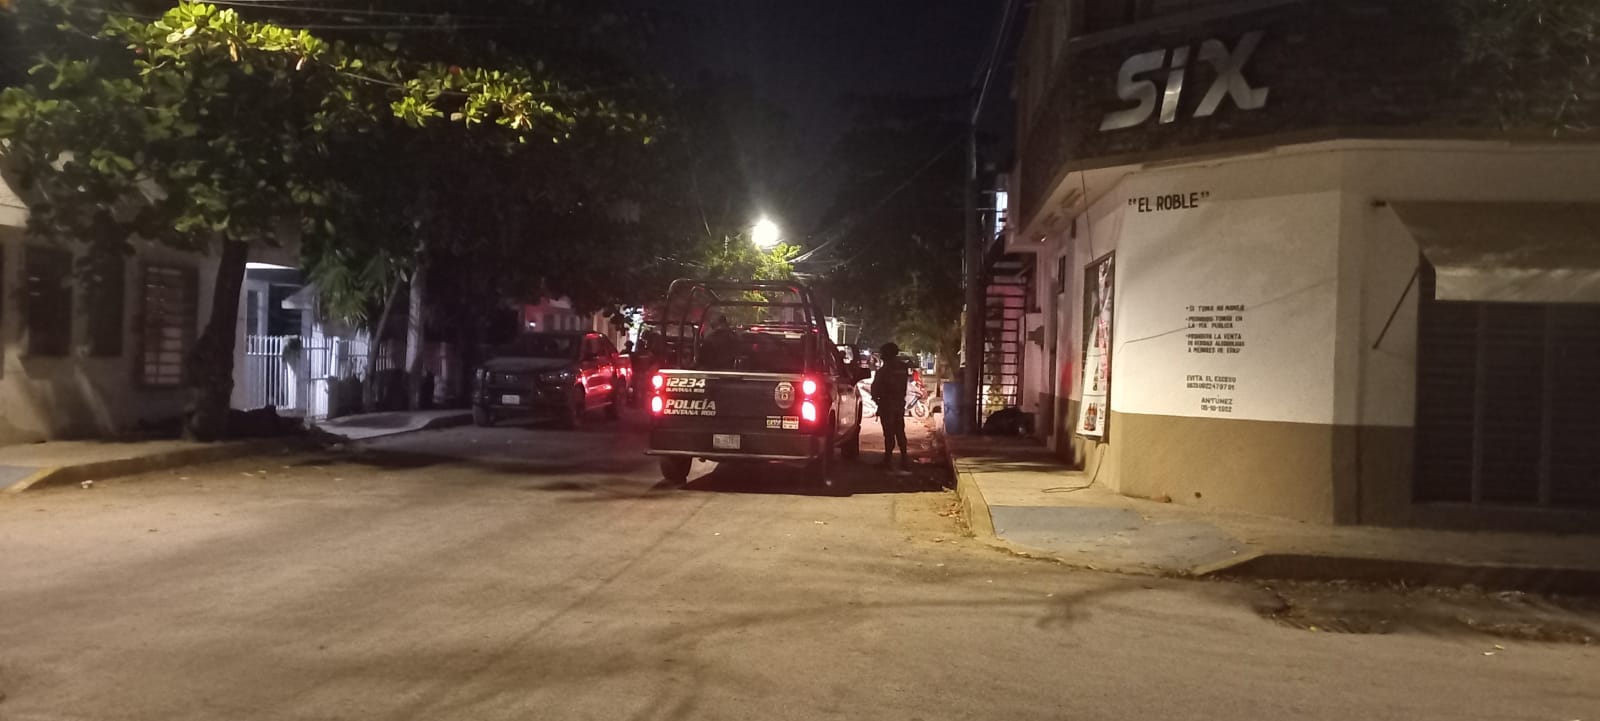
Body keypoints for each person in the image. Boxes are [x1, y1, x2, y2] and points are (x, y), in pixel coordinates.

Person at [870, 342, 910, 470]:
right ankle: (904, 460)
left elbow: (875, 389)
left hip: (887, 405)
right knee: (900, 432)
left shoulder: (884, 370)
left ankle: (888, 460)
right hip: (899, 404)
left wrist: (878, 401)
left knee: (889, 434)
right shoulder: (902, 368)